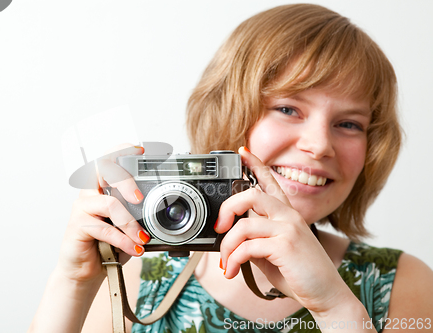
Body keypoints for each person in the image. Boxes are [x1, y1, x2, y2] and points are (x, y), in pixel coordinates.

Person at [28, 4, 433, 333]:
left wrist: (334, 306)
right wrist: (74, 283)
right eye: (288, 109)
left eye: (349, 124)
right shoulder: (136, 277)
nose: (319, 144)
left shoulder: (400, 283)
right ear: (228, 112)